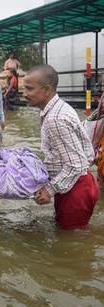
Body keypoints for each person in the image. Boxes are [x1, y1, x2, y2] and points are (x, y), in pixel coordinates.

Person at [24, 64, 99, 229]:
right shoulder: (59, 109)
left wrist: (49, 189)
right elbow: (84, 154)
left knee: (71, 245)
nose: (24, 94)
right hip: (77, 184)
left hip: (76, 189)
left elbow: (76, 164)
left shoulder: (55, 120)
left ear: (47, 89)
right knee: (73, 236)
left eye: (29, 89)